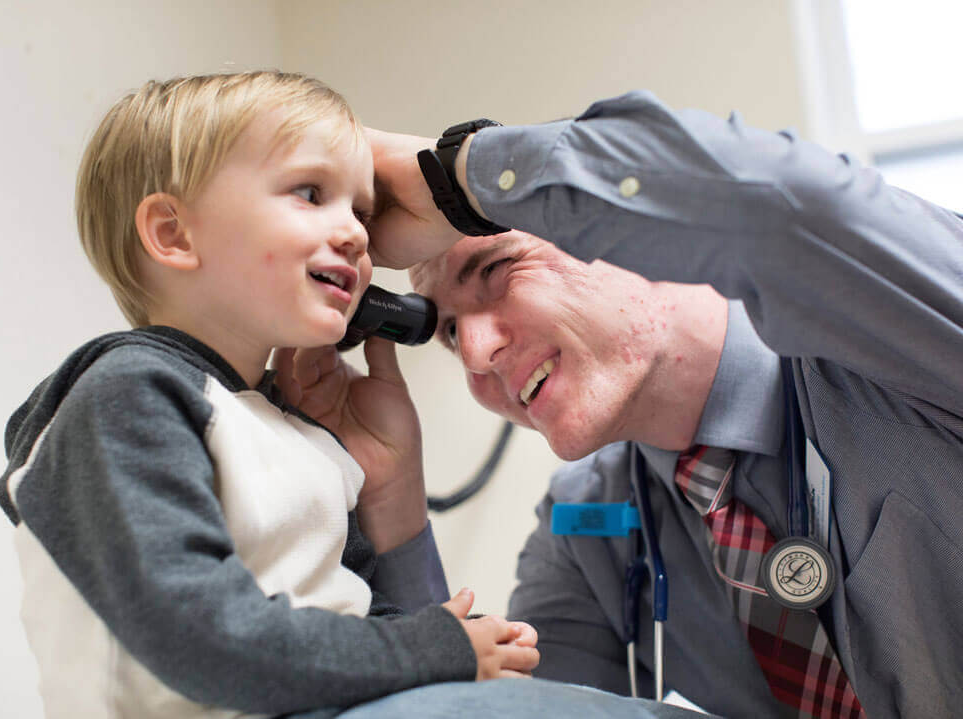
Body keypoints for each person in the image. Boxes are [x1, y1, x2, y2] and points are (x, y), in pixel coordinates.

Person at [296, 91, 963, 718]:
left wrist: (452, 178)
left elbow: (782, 209)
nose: (473, 351)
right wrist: (396, 511)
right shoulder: (589, 529)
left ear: (625, 236)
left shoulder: (882, 341)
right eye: (445, 330)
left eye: (496, 269)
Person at [0, 70, 602, 719]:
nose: (359, 235)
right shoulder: (128, 395)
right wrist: (433, 648)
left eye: (361, 211)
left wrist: (465, 644)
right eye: (312, 193)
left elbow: (368, 616)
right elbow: (198, 633)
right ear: (173, 234)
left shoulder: (300, 433)